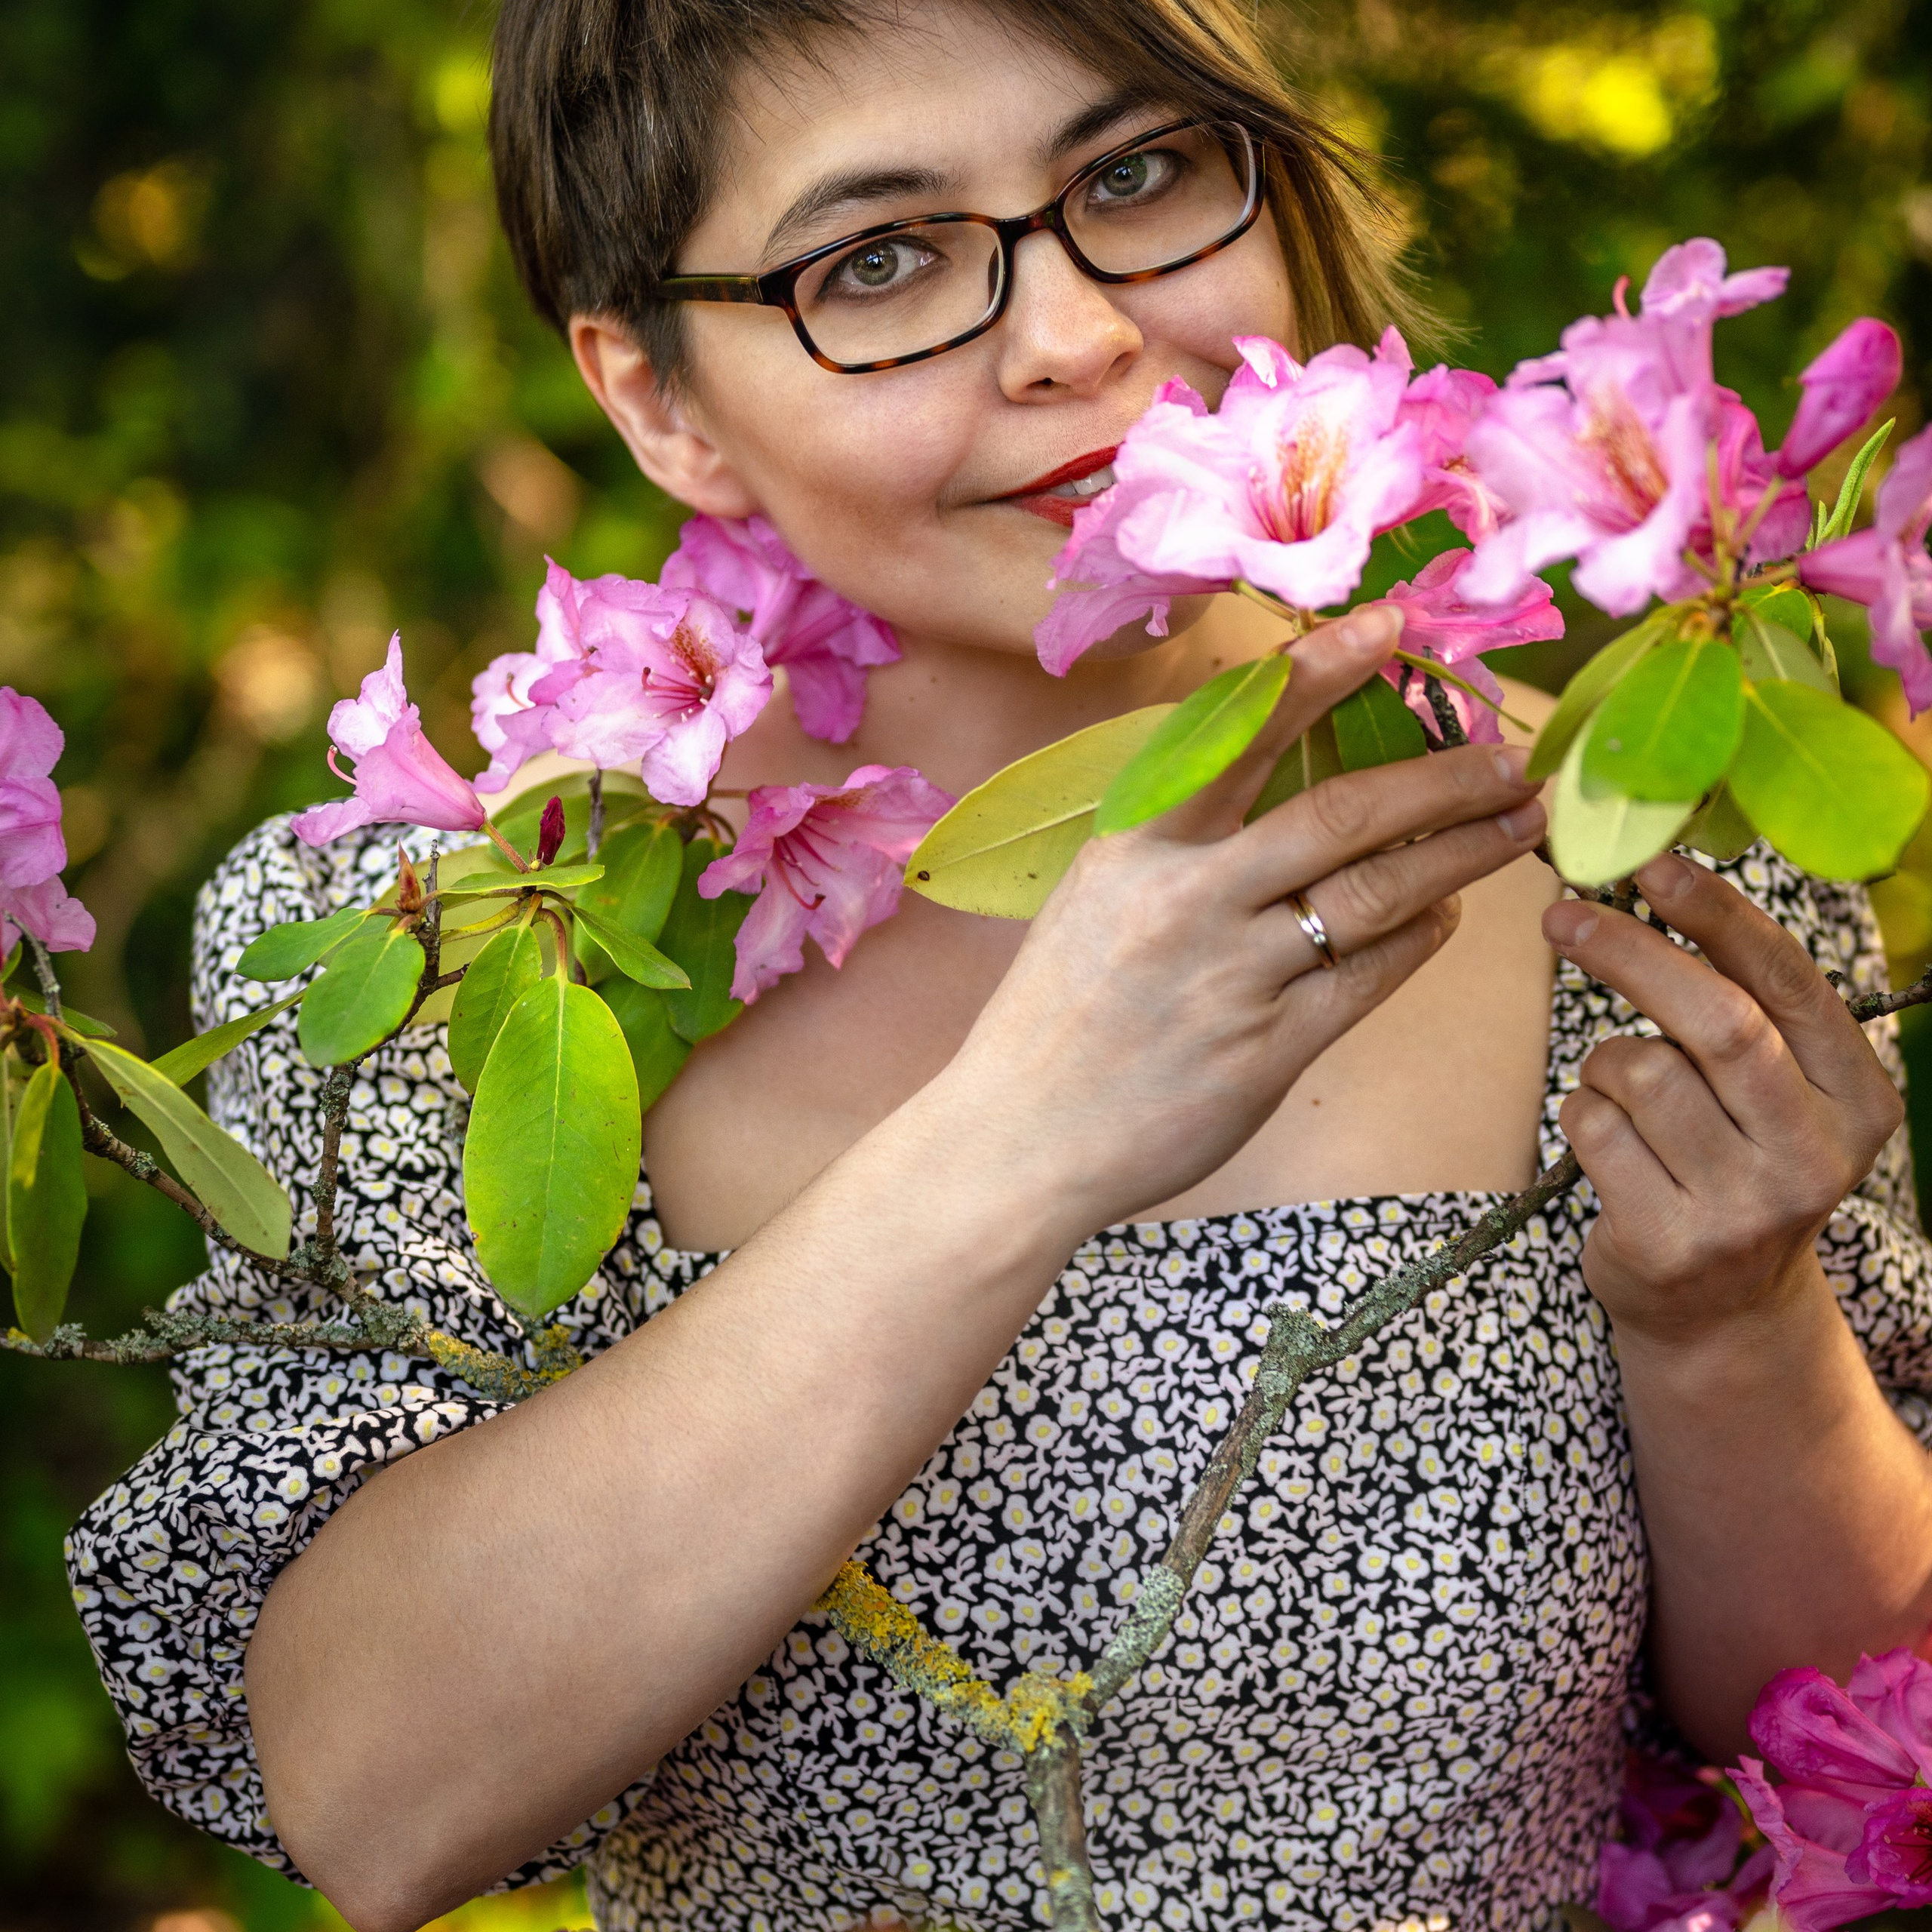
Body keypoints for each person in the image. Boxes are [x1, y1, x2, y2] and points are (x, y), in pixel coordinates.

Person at [65, 2, 1932, 1929]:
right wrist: (1021, 1135)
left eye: (1137, 174)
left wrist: (1734, 1330)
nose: (1076, 337)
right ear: (658, 401)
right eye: (876, 261)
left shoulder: (1626, 848)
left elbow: (1850, 1744)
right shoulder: (464, 946)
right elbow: (369, 1788)